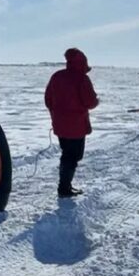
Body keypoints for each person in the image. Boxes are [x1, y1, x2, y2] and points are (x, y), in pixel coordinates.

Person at [44, 48, 99, 198]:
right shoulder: (82, 79)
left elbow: (48, 99)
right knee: (73, 156)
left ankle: (65, 185)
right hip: (77, 126)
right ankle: (64, 188)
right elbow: (90, 101)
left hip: (60, 125)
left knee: (67, 154)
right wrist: (97, 101)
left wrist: (57, 113)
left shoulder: (57, 76)